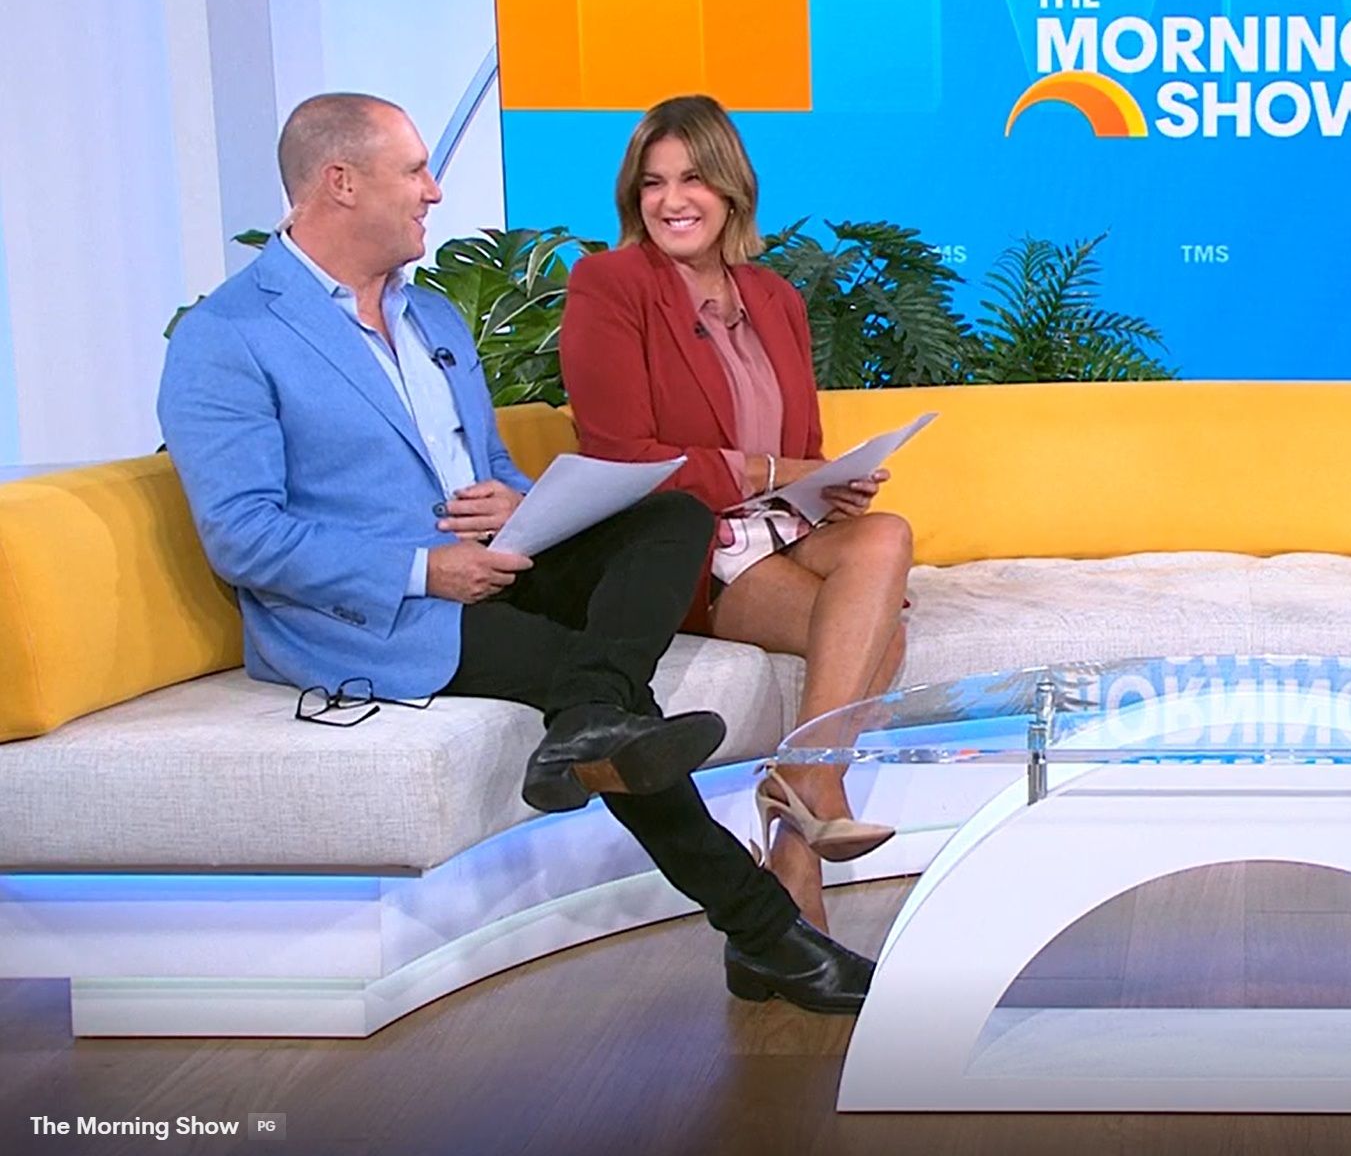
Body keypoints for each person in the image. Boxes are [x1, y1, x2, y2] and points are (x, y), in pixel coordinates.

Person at [157, 92, 871, 1012]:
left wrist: (523, 507)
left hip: (496, 564)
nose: (434, 190)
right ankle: (767, 932)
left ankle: (591, 719)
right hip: (379, 612)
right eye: (415, 171)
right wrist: (425, 569)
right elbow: (242, 535)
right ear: (340, 182)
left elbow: (489, 468)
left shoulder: (431, 318)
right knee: (604, 695)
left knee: (670, 519)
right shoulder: (229, 337)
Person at [560, 95, 913, 931]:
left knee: (885, 534)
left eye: (692, 179)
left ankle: (799, 801)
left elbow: (801, 446)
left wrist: (828, 485)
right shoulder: (611, 286)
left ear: (731, 191)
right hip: (684, 540)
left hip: (781, 525)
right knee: (883, 635)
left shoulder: (774, 298)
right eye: (652, 183)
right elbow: (621, 457)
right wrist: (771, 471)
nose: (671, 200)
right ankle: (805, 812)